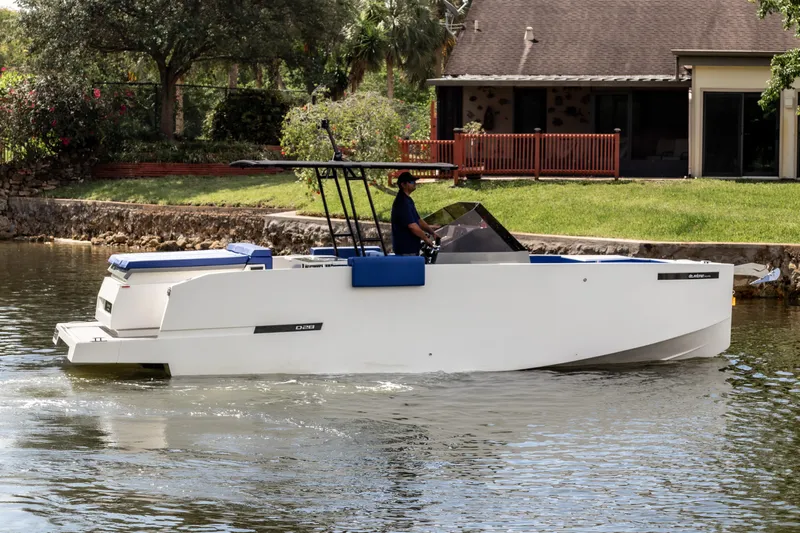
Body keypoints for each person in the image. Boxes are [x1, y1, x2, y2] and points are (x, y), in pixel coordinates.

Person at [391, 171, 438, 256]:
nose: (415, 183)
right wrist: (425, 238)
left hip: (412, 248)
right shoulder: (402, 203)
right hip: (405, 250)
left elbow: (418, 220)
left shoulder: (408, 200)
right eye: (412, 182)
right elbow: (412, 226)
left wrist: (432, 232)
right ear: (403, 184)